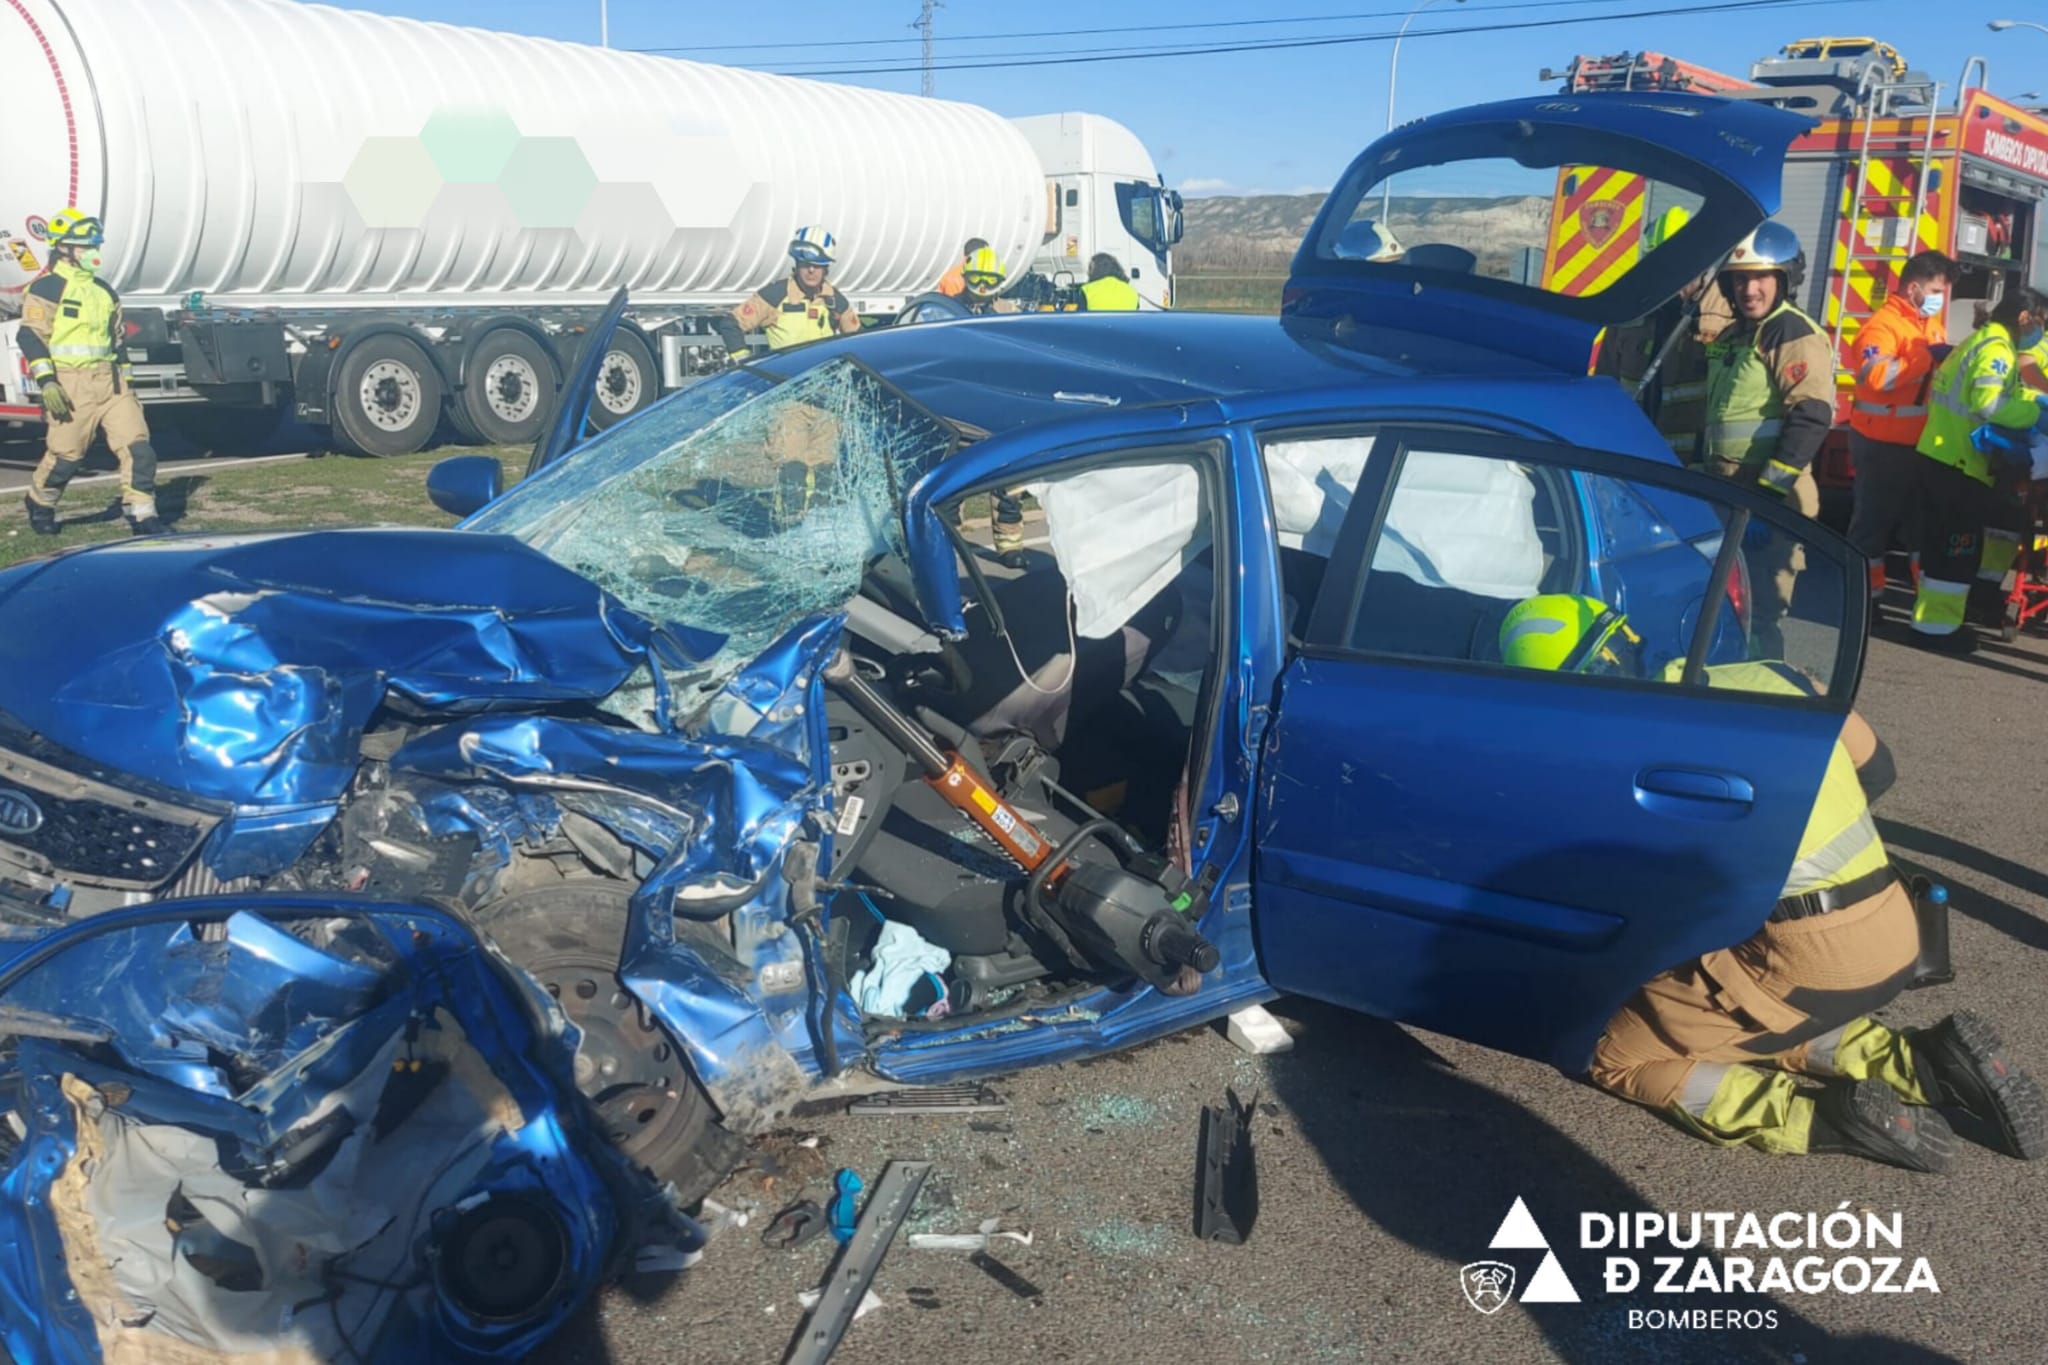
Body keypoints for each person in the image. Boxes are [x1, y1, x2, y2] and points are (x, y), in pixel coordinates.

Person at [1500, 593, 2045, 1171]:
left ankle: (1820, 1117)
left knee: (1617, 1051)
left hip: (1806, 957)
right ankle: (1920, 1061)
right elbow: (1878, 769)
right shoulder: (1773, 673)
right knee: (1740, 1008)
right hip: (1893, 921)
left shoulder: (1623, 749)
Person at [1698, 223, 1835, 657]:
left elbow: (1811, 416)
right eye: (1740, 279)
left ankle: (1760, 697)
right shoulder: (1738, 334)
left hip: (1770, 500)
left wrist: (1767, 498)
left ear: (1784, 280)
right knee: (1720, 608)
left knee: (1760, 612)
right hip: (1729, 494)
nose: (1749, 289)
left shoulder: (1790, 331)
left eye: (1760, 277)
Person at [1907, 285, 2044, 649]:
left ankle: (1932, 622)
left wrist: (2034, 400)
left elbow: (2005, 393)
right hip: (1957, 463)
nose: (2040, 332)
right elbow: (1989, 405)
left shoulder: (1983, 341)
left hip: (1942, 456)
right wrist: (2036, 414)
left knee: (1944, 547)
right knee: (1957, 550)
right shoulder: (1996, 349)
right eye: (2040, 323)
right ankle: (1937, 630)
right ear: (2023, 318)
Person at [19, 208, 161, 536]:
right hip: (71, 384)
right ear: (64, 249)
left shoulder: (105, 291)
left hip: (111, 382)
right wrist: (47, 381)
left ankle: (143, 515)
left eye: (95, 246)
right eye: (86, 247)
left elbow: (117, 340)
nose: (93, 253)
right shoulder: (47, 288)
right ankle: (41, 501)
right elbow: (31, 335)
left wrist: (127, 382)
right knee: (67, 456)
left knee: (138, 448)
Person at [1845, 251, 1958, 603]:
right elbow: (1877, 376)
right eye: (1936, 290)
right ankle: (1865, 602)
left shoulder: (1928, 326)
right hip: (1881, 444)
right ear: (1913, 289)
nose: (1940, 299)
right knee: (1871, 528)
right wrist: (1927, 357)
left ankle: (1926, 601)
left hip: (1918, 445)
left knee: (1919, 528)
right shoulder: (1882, 326)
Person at [715, 226, 861, 360]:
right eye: (805, 264)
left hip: (823, 384)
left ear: (826, 268)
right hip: (785, 382)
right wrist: (745, 361)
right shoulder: (775, 295)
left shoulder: (835, 299)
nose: (811, 270)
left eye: (817, 265)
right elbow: (731, 324)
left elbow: (860, 338)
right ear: (796, 264)